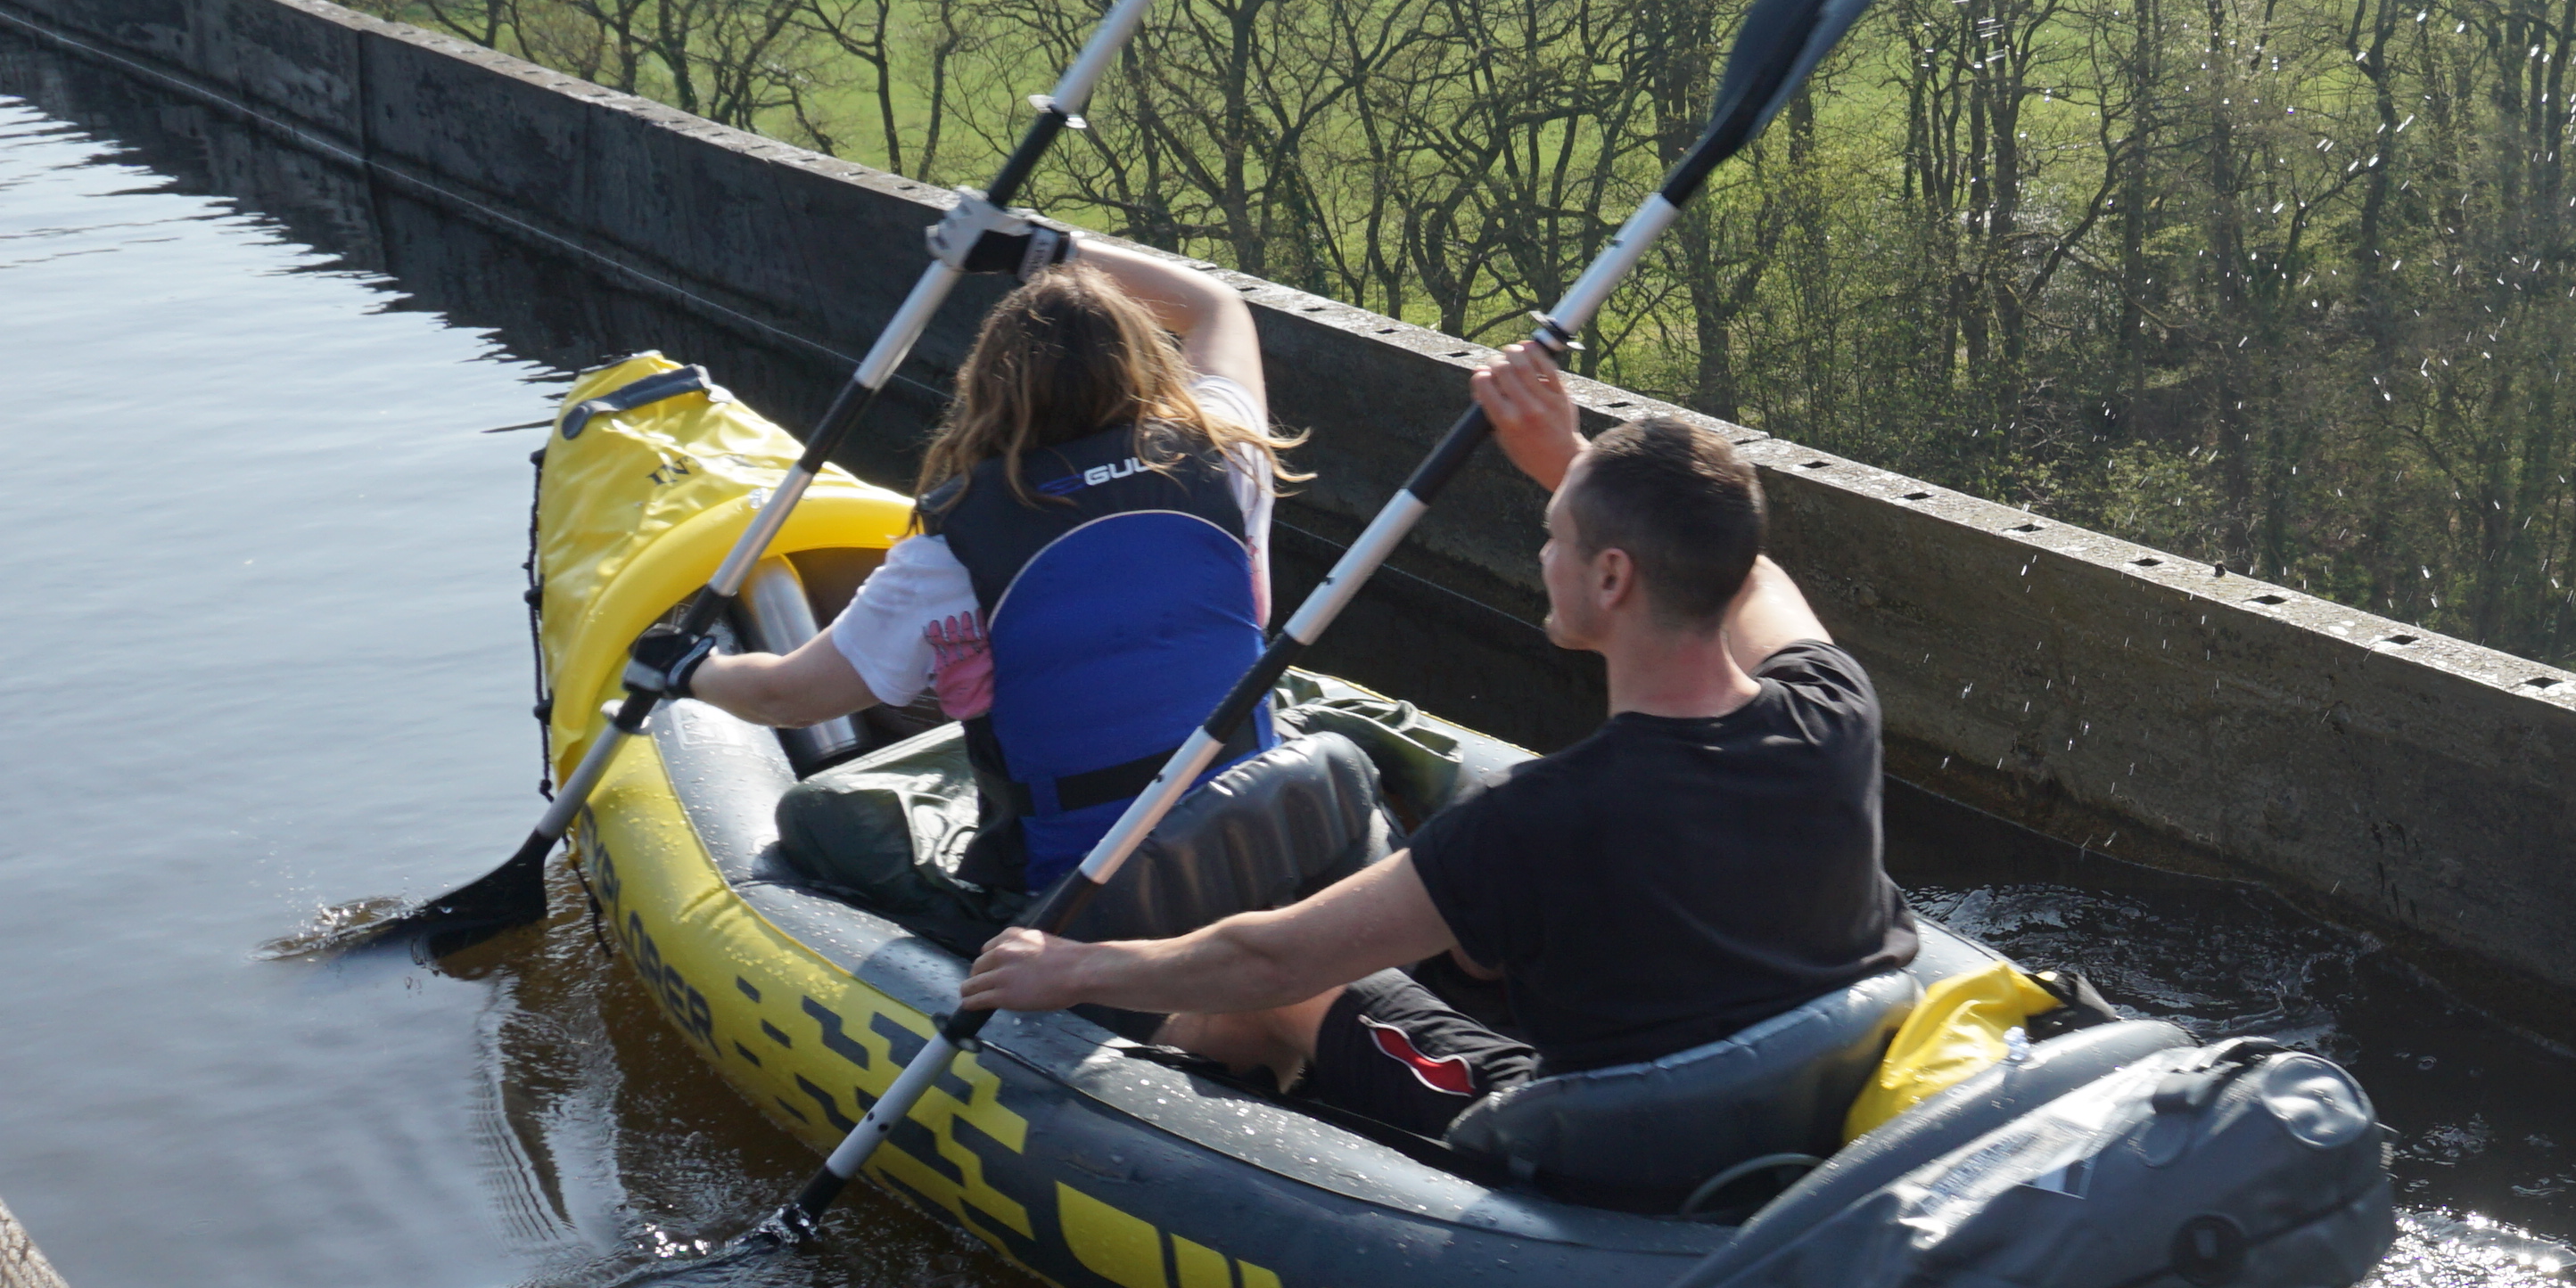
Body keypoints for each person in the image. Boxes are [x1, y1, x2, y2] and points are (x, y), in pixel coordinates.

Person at [963, 349, 1912, 1168]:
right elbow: (1753, 575)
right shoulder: (1836, 711)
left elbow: (1268, 955)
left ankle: (1132, 1146)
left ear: (1612, 576)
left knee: (1293, 993)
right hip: (1783, 1093)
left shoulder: (1537, 820)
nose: (1546, 556)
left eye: (1556, 538)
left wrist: (1075, 967)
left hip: (1603, 1148)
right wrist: (1572, 464)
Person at [651, 223, 1298, 887]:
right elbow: (1216, 306)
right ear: (1147, 364)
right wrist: (1041, 249)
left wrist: (693, 669)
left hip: (1083, 883)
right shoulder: (1228, 453)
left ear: (987, 387)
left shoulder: (951, 551)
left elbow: (786, 696)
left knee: (818, 815)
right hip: (1255, 824)